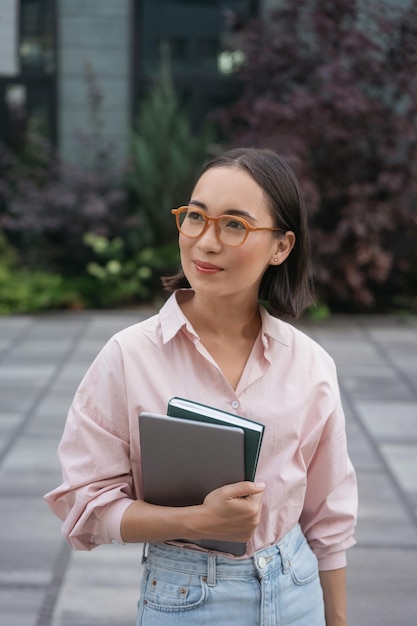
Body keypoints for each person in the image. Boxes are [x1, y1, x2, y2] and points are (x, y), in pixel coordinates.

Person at [45, 147, 357, 626]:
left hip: (297, 589)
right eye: (195, 217)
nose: (205, 242)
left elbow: (329, 518)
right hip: (186, 598)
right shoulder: (129, 357)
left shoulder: (310, 365)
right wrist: (196, 521)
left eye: (234, 224)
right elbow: (86, 506)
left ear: (281, 246)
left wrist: (337, 619)